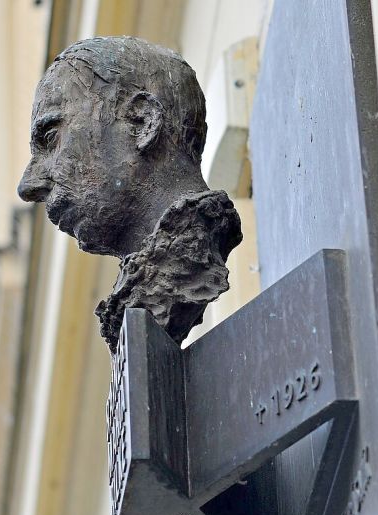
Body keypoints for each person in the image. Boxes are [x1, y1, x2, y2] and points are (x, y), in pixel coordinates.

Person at [17, 36, 243, 353]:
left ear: (141, 122)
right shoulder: (129, 308)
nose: (29, 185)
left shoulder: (188, 262)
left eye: (52, 136)